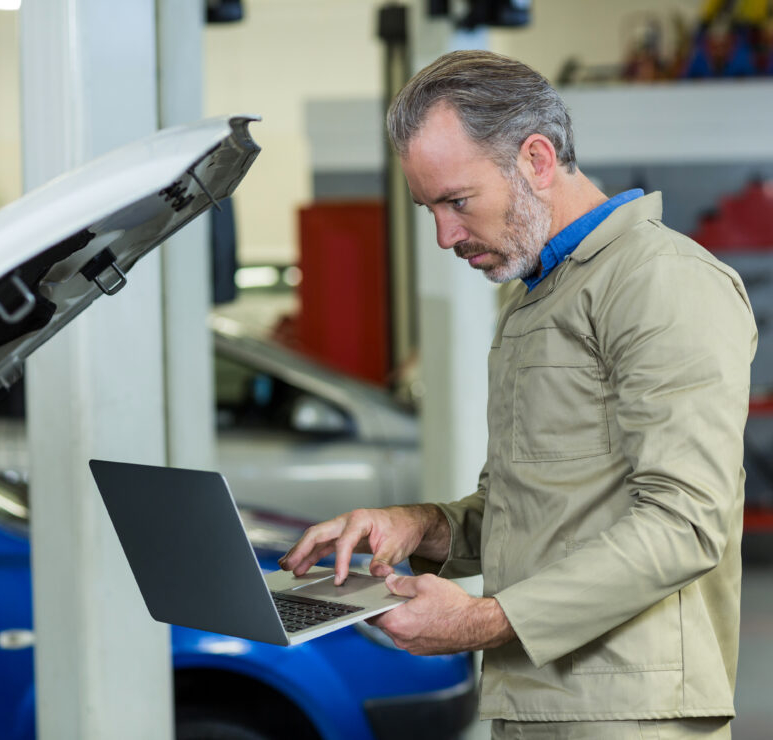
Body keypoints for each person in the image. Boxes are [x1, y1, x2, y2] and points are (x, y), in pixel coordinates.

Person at [280, 50, 757, 739]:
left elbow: (685, 523)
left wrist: (478, 620)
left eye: (457, 201)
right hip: (535, 699)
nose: (444, 235)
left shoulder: (661, 282)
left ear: (536, 159)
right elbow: (526, 512)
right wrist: (416, 525)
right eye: (429, 208)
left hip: (628, 713)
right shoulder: (540, 296)